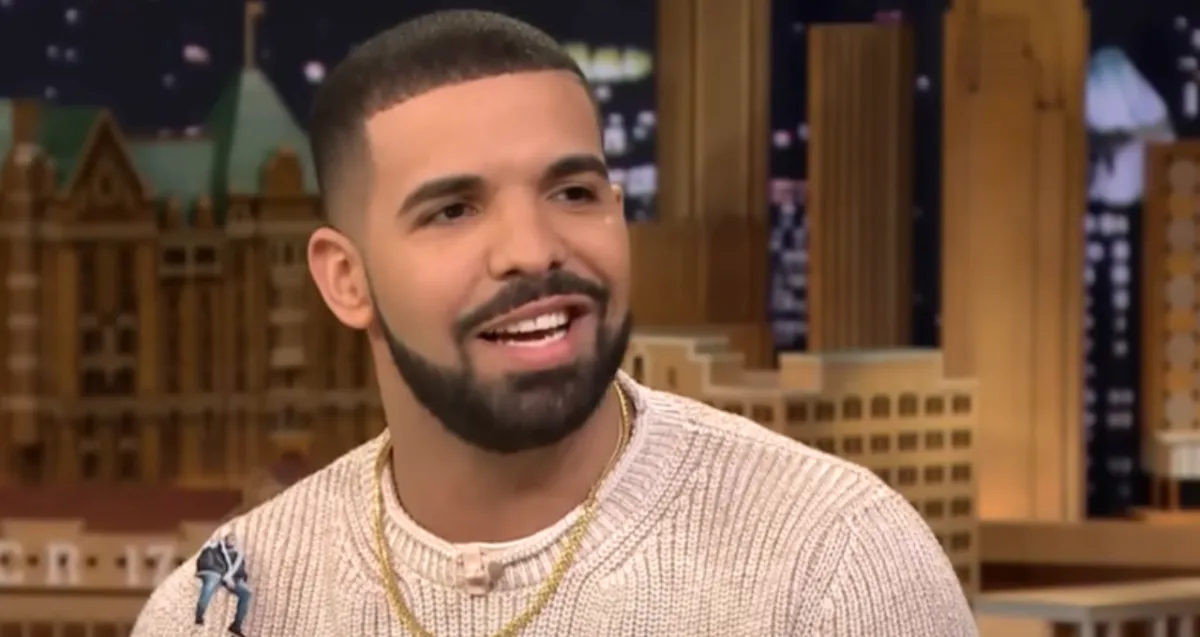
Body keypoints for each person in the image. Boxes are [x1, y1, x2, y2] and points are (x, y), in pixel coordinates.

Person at [132, 9, 977, 636]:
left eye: (573, 192)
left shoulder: (834, 566)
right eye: (454, 210)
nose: (534, 251)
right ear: (345, 279)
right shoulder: (227, 605)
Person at [192, 534, 252, 637]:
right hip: (214, 573)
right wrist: (224, 575)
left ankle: (236, 626)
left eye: (234, 540)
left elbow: (241, 572)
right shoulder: (213, 549)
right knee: (211, 582)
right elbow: (206, 563)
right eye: (230, 539)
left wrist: (240, 580)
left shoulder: (237, 556)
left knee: (246, 593)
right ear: (225, 540)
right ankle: (199, 616)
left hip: (230, 579)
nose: (232, 542)